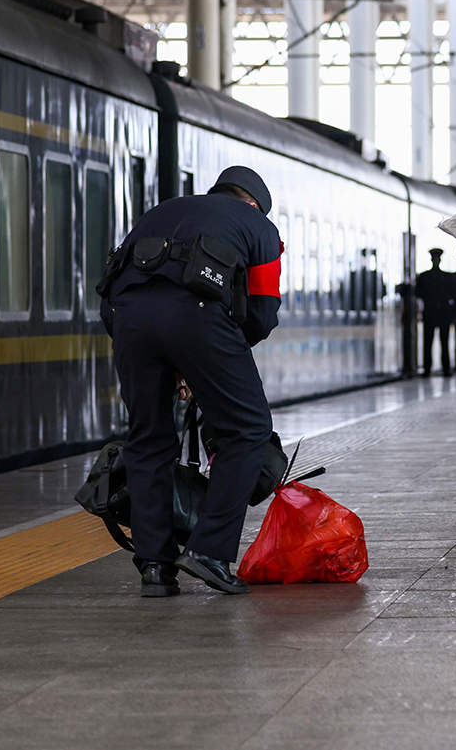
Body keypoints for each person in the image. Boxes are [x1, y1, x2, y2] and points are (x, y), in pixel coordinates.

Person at [98, 165, 283, 597]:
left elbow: (116, 285)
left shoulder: (162, 211)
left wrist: (179, 361)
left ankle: (155, 566)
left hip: (126, 320)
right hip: (199, 317)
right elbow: (261, 314)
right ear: (254, 204)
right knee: (248, 429)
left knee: (148, 438)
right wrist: (203, 362)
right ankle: (209, 552)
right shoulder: (261, 227)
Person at [418, 248, 455, 377]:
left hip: (432, 312)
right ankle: (443, 368)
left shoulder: (425, 277)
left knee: (432, 342)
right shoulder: (446, 277)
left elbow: (419, 294)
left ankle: (429, 368)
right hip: (440, 312)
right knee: (439, 342)